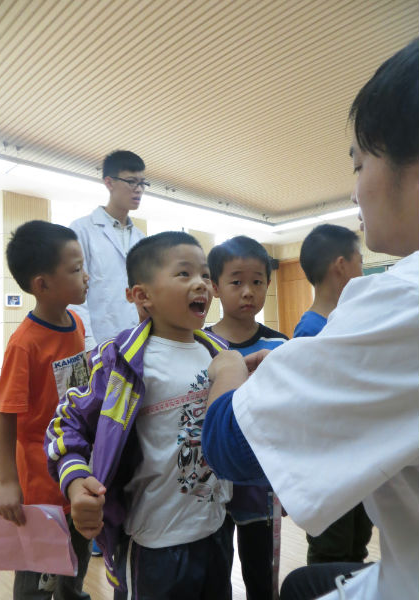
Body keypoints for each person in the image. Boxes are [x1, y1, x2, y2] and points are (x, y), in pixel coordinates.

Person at [201, 38, 419, 600]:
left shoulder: (396, 301)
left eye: (360, 163)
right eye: (233, 281)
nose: (356, 188)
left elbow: (228, 444)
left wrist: (228, 371)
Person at [45, 231, 234, 599]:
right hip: (155, 544)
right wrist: (75, 479)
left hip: (216, 530)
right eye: (184, 273)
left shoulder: (218, 352)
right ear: (142, 295)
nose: (201, 284)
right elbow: (66, 422)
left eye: (205, 274)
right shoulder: (120, 360)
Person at [0, 220, 92, 599]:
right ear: (42, 284)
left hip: (76, 469)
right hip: (39, 484)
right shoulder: (25, 343)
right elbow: (6, 415)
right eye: (76, 269)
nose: (86, 276)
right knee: (37, 577)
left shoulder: (76, 322)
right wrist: (9, 482)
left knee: (74, 565)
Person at [207, 235, 288, 600]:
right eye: (236, 281)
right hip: (210, 486)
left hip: (261, 483)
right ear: (215, 287)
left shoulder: (280, 346)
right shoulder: (200, 345)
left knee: (261, 576)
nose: (248, 292)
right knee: (214, 575)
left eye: (257, 281)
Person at [294, 224, 373, 566]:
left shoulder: (347, 323)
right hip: (329, 471)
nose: (362, 271)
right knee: (331, 555)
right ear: (342, 266)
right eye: (360, 262)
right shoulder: (312, 330)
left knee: (356, 549)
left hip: (356, 463)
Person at [69, 150, 147, 351]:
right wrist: (88, 346)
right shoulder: (82, 230)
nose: (139, 190)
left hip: (137, 342)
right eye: (131, 182)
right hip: (98, 343)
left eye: (142, 183)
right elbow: (74, 293)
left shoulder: (141, 239)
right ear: (109, 182)